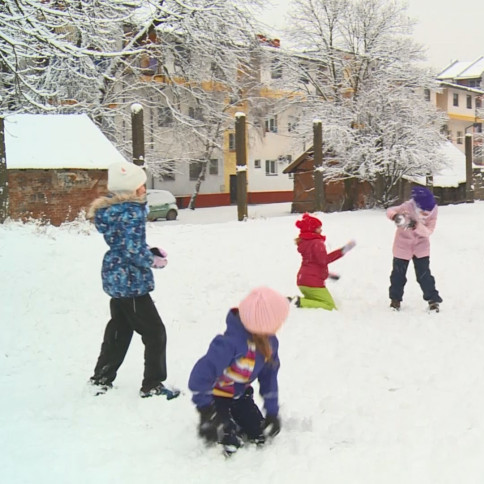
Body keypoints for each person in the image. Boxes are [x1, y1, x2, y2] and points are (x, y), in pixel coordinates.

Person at [87, 162, 179, 399]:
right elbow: (132, 250)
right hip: (131, 282)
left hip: (116, 276)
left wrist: (149, 249)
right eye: (141, 184)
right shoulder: (132, 211)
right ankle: (153, 385)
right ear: (133, 188)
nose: (144, 189)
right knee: (155, 332)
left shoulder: (114, 210)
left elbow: (123, 243)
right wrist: (152, 260)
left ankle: (101, 379)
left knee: (120, 328)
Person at [189, 287, 289, 455]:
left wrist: (272, 412)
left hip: (241, 396)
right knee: (230, 444)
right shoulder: (229, 344)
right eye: (278, 321)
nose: (280, 325)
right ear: (263, 324)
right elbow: (199, 377)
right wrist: (206, 413)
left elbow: (269, 378)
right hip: (217, 398)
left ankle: (236, 419)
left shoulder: (270, 344)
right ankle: (225, 423)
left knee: (259, 434)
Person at [386, 186, 442, 312]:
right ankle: (395, 300)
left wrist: (416, 225)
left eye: (427, 211)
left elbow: (428, 231)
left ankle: (433, 300)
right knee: (398, 275)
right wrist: (395, 216)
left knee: (424, 275)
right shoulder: (407, 207)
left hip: (421, 247)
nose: (425, 214)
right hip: (402, 246)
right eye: (422, 211)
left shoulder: (433, 210)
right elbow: (389, 211)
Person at [292, 213, 355, 310]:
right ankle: (298, 302)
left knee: (315, 302)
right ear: (311, 229)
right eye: (318, 228)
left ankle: (299, 302)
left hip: (302, 281)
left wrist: (327, 275)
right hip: (313, 283)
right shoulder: (317, 243)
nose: (321, 230)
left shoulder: (306, 243)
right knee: (329, 306)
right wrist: (343, 251)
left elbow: (313, 264)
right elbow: (324, 260)